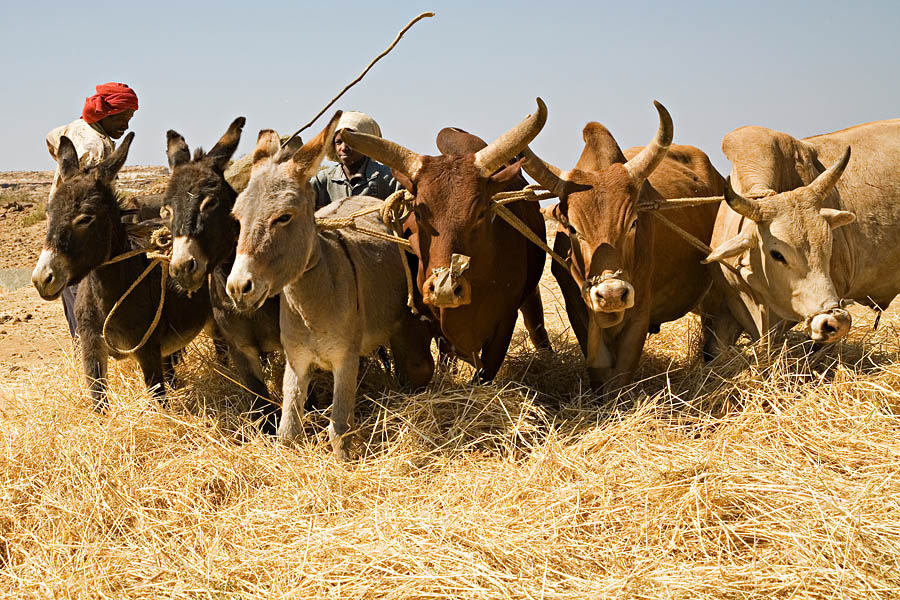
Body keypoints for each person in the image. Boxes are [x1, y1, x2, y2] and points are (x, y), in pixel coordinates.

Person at [45, 82, 139, 337]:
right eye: (123, 117)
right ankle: (90, 352)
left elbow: (53, 139)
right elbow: (91, 193)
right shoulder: (95, 147)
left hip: (60, 222)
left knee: (69, 291)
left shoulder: (75, 128)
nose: (127, 125)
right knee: (84, 297)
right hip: (80, 232)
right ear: (106, 113)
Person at [311, 111, 402, 209]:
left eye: (351, 142)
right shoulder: (322, 180)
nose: (343, 148)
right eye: (339, 142)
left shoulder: (388, 178)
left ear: (366, 145)